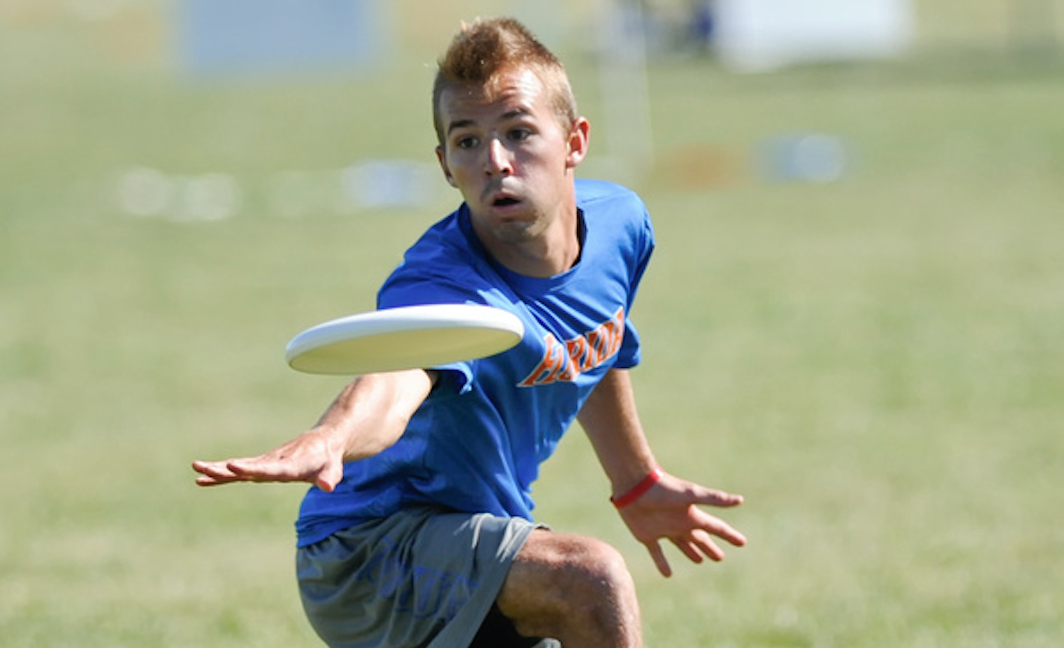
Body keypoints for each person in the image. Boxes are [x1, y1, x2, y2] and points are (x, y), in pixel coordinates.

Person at [193, 16, 746, 648]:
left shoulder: (622, 225)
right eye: (467, 141)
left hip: (475, 535)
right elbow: (395, 378)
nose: (496, 162)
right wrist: (335, 435)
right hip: (369, 550)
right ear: (444, 164)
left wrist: (636, 480)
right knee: (589, 578)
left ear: (574, 141)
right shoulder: (442, 287)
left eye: (518, 132)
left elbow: (599, 338)